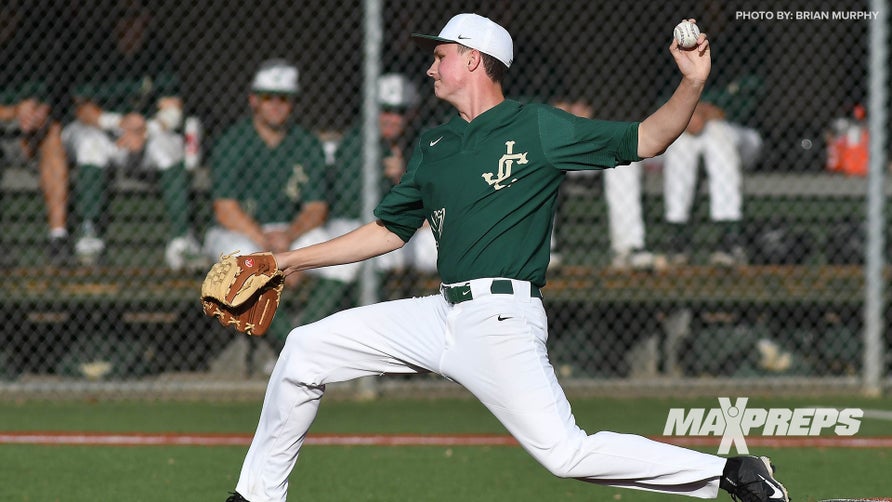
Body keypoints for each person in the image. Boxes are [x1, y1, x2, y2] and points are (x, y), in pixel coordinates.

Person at [224, 14, 788, 502]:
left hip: (501, 319)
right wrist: (287, 261)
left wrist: (691, 83)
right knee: (304, 350)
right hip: (438, 313)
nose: (430, 67)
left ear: (473, 60)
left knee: (565, 455)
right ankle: (256, 496)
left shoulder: (537, 126)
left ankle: (731, 471)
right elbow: (387, 231)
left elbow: (647, 139)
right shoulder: (434, 145)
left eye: (440, 56)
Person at [61, 4, 199, 268]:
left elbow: (172, 107)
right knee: (91, 144)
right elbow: (83, 108)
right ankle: (89, 233)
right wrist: (119, 122)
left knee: (171, 145)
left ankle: (182, 239)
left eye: (135, 16)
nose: (128, 23)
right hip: (101, 130)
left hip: (141, 134)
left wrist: (149, 129)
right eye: (121, 15)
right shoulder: (96, 50)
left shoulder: (156, 53)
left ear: (146, 19)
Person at [292, 72, 433, 325]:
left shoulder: (424, 143)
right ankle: (307, 331)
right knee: (364, 256)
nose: (391, 118)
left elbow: (436, 205)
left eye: (399, 111)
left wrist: (401, 178)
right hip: (354, 223)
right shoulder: (357, 143)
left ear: (412, 114)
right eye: (385, 110)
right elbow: (355, 207)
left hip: (410, 229)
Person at [203, 59, 328, 344]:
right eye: (267, 97)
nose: (275, 104)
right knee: (244, 258)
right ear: (253, 100)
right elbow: (225, 209)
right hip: (239, 232)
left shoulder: (306, 143)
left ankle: (302, 338)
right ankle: (291, 344)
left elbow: (316, 208)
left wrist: (288, 240)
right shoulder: (233, 141)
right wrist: (265, 244)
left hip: (288, 232)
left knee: (338, 254)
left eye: (283, 98)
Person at [0, 5, 70, 265]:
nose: (5, 19)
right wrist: (13, 111)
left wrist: (38, 113)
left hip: (24, 134)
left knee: (52, 133)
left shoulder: (31, 46)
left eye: (10, 12)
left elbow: (48, 99)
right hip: (6, 124)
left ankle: (58, 238)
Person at [551, 97, 655, 270]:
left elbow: (634, 103)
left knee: (625, 166)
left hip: (605, 133)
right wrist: (563, 110)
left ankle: (629, 247)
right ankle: (547, 248)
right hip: (565, 133)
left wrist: (594, 112)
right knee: (545, 165)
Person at [661, 100, 760, 266]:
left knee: (717, 133)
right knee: (680, 141)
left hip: (739, 133)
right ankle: (677, 233)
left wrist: (707, 112)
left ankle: (730, 235)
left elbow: (748, 101)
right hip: (686, 126)